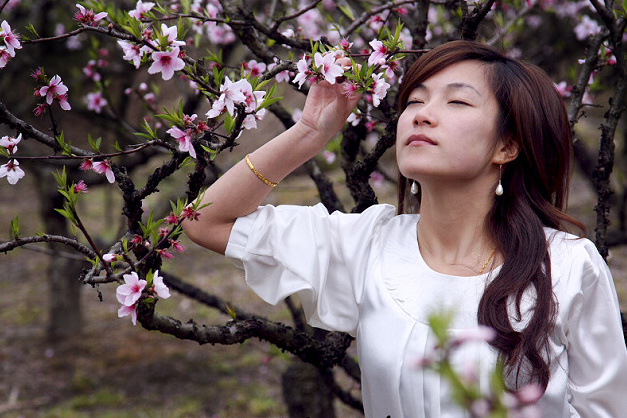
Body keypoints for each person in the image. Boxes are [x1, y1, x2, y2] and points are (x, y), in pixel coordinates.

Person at [183, 40, 627, 417]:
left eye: (456, 101)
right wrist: (309, 133)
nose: (421, 115)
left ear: (507, 145)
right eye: (415, 101)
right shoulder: (366, 245)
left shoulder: (567, 267)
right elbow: (206, 221)